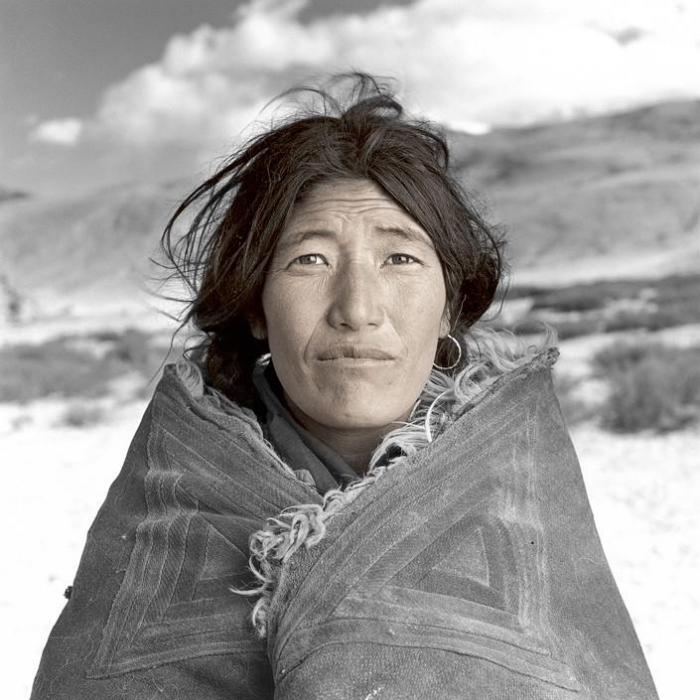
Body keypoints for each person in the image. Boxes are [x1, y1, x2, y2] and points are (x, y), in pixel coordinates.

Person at [31, 74, 658, 699]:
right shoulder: (161, 523)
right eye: (310, 260)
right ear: (255, 308)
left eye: (400, 259)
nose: (357, 309)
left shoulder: (531, 510)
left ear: (448, 307)